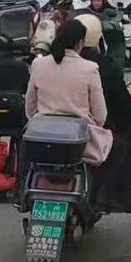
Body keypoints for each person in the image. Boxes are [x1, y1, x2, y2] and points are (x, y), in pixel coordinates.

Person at [23, 19, 113, 165]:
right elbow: (100, 115)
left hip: (41, 136)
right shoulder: (89, 68)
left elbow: (30, 107)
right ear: (80, 43)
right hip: (77, 141)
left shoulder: (38, 64)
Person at [76, 13, 131, 212]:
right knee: (120, 143)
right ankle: (106, 195)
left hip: (48, 128)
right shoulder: (98, 68)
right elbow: (104, 113)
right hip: (87, 129)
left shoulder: (48, 63)